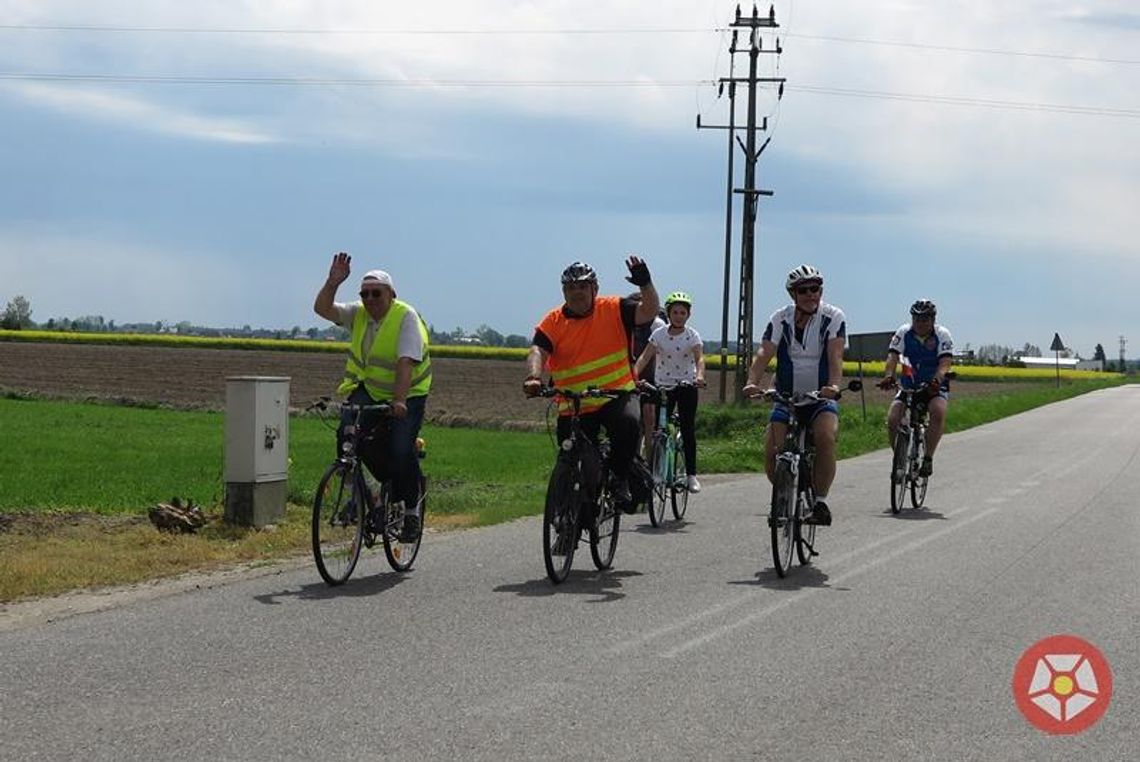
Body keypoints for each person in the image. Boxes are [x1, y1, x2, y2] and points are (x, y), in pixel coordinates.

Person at [523, 257, 660, 511]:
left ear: (594, 289)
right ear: (564, 292)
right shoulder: (553, 321)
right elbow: (537, 351)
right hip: (573, 403)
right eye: (571, 288)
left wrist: (645, 284)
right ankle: (567, 522)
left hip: (615, 395)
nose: (577, 293)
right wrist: (533, 377)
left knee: (629, 424)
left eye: (583, 287)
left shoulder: (614, 308)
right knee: (572, 462)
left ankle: (619, 479)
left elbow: (649, 311)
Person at [314, 252, 431, 540]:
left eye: (376, 293)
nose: (369, 299)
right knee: (347, 437)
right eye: (364, 293)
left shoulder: (406, 317)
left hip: (410, 392)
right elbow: (323, 309)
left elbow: (405, 362)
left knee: (401, 449)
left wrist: (400, 402)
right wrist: (332, 282)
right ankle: (362, 498)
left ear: (391, 294)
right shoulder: (359, 314)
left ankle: (411, 509)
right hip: (370, 389)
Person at [742, 264, 846, 526]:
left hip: (819, 396)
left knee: (825, 437)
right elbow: (764, 353)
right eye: (804, 290)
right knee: (772, 450)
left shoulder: (832, 317)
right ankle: (784, 495)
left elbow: (835, 356)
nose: (811, 294)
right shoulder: (781, 318)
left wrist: (833, 386)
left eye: (816, 289)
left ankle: (820, 501)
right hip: (786, 394)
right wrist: (752, 382)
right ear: (793, 294)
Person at [633, 291, 706, 493]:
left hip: (686, 385)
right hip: (662, 385)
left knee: (688, 428)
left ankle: (691, 475)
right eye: (675, 312)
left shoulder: (692, 335)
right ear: (669, 313)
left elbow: (699, 358)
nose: (679, 316)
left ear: (688, 315)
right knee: (657, 430)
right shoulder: (659, 334)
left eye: (683, 312)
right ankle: (654, 471)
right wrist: (634, 375)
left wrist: (699, 377)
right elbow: (645, 357)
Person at [877, 299, 953, 476]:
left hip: (933, 385)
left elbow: (945, 362)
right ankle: (900, 458)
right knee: (893, 418)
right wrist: (889, 375)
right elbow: (893, 357)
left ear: (933, 320)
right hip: (908, 384)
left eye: (925, 320)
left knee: (938, 411)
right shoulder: (903, 332)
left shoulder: (942, 334)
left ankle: (927, 458)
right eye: (917, 319)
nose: (920, 323)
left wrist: (937, 380)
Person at [629, 292, 667, 459]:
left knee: (649, 418)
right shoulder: (625, 323)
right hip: (630, 376)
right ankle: (632, 457)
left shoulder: (657, 324)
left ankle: (651, 460)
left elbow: (655, 354)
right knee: (630, 421)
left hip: (652, 376)